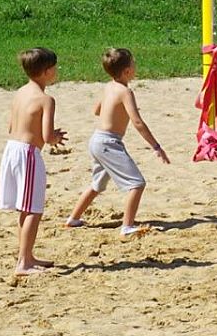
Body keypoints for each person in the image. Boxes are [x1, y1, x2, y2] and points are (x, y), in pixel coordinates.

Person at [64, 47, 169, 237]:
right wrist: (156, 146)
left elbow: (97, 110)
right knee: (137, 184)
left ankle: (73, 218)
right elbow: (138, 122)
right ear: (127, 71)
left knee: (97, 184)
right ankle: (127, 226)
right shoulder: (125, 92)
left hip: (97, 140)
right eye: (134, 63)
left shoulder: (109, 86)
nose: (136, 66)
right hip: (109, 143)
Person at [0, 47, 67, 274]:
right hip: (28, 155)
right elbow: (47, 138)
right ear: (47, 71)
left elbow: (11, 126)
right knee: (33, 210)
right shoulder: (46, 99)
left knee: (25, 207)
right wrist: (56, 137)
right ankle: (23, 262)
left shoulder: (20, 92)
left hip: (11, 149)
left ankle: (26, 255)